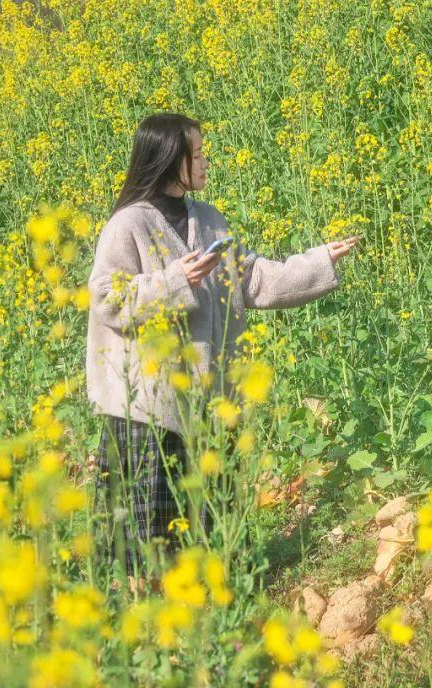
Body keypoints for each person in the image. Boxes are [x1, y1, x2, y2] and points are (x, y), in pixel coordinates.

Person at [85, 112, 359, 594]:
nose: (205, 161)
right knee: (145, 538)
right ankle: (146, 628)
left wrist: (320, 261)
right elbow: (107, 299)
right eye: (196, 154)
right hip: (149, 405)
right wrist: (175, 281)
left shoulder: (208, 219)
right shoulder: (127, 225)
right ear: (171, 159)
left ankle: (207, 614)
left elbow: (252, 279)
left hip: (209, 400)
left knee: (206, 523)